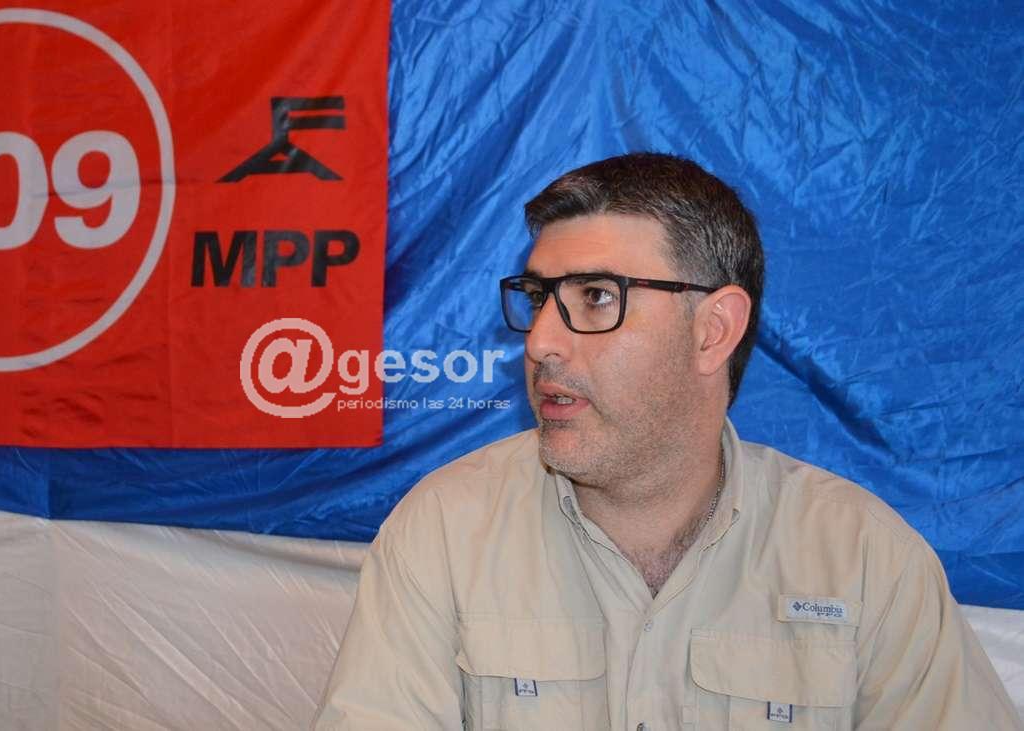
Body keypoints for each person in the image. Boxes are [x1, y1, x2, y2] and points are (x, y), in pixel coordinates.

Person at [312, 153, 1022, 729]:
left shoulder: (866, 561)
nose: (540, 341)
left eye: (595, 296)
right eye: (536, 298)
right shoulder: (444, 532)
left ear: (713, 330)